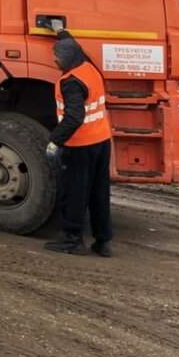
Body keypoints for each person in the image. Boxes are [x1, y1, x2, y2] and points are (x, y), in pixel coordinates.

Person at [44, 30, 114, 256]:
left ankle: (73, 240)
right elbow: (74, 47)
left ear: (67, 58)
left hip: (81, 145)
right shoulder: (90, 68)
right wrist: (62, 34)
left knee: (74, 193)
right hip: (101, 141)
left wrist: (55, 140)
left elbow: (74, 116)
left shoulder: (71, 82)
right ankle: (103, 242)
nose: (55, 60)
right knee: (99, 192)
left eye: (57, 56)